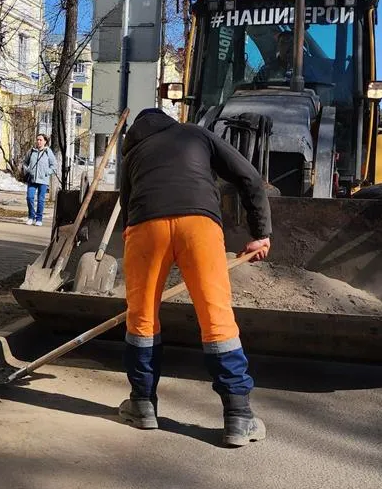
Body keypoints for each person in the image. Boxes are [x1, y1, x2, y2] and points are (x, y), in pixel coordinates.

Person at [117, 107, 272, 447]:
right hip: (198, 225)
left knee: (141, 319)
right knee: (216, 318)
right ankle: (239, 417)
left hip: (145, 228)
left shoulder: (134, 154)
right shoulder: (194, 133)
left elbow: (127, 208)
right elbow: (248, 176)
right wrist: (260, 232)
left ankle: (142, 405)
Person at [20, 134, 56, 226]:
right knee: (29, 197)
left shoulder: (48, 152)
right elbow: (24, 162)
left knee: (41, 200)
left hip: (43, 180)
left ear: (45, 141)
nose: (38, 141)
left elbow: (54, 166)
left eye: (40, 140)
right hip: (32, 179)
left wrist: (46, 172)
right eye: (37, 140)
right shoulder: (32, 151)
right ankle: (31, 217)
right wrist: (27, 170)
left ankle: (39, 219)